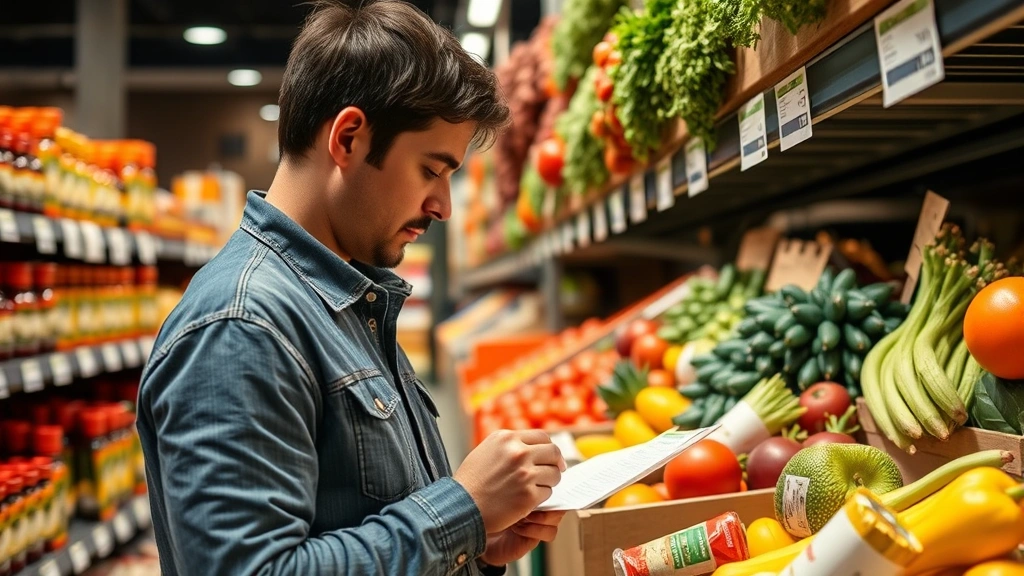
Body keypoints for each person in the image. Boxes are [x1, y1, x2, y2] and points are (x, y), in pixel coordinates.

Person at [136, 1, 567, 574]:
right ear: (349, 138)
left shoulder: (346, 301)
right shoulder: (242, 327)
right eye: (431, 171)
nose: (441, 206)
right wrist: (461, 509)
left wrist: (475, 545)